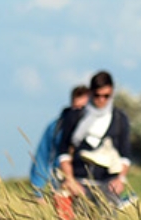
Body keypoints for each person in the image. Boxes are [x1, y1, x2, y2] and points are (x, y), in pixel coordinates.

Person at [56, 71, 135, 211]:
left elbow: (125, 155)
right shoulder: (74, 117)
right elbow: (63, 152)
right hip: (79, 183)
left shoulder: (119, 119)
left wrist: (120, 179)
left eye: (106, 96)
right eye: (97, 95)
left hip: (107, 183)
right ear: (91, 93)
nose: (102, 100)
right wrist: (70, 180)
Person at [30, 86, 88, 198]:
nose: (79, 114)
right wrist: (38, 193)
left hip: (90, 185)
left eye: (83, 109)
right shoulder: (56, 127)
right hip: (63, 186)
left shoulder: (99, 128)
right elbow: (42, 158)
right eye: (76, 108)